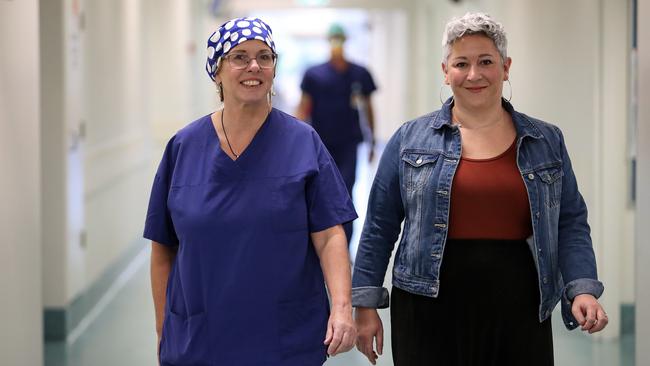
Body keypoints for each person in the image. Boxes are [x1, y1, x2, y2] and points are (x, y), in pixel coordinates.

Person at [351, 12, 608, 366]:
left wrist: (582, 287)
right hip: (427, 302)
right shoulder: (410, 139)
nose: (474, 74)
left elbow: (570, 222)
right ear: (445, 70)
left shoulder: (545, 140)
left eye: (486, 61)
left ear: (505, 67)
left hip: (517, 302)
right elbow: (379, 226)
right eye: (462, 63)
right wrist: (365, 304)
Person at [145, 17, 357, 366]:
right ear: (217, 70)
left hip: (283, 336)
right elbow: (163, 246)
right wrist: (163, 328)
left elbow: (329, 234)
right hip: (201, 337)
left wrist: (342, 307)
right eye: (239, 57)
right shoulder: (184, 147)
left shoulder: (303, 142)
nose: (254, 66)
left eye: (265, 56)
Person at [296, 23, 377, 243]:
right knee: (318, 192)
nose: (337, 44)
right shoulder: (314, 75)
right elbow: (303, 107)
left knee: (346, 192)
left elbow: (368, 108)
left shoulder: (359, 74)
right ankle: (319, 244)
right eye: (334, 39)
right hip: (319, 144)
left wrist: (372, 142)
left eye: (340, 39)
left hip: (349, 142)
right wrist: (294, 142)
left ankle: (343, 245)